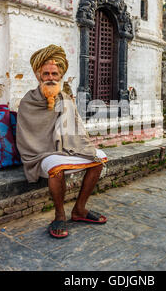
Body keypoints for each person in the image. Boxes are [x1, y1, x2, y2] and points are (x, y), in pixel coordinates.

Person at [16, 45, 108, 239]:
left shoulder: (66, 99)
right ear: (38, 75)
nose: (50, 77)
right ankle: (59, 215)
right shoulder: (27, 101)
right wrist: (51, 151)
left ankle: (79, 209)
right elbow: (26, 138)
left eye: (55, 74)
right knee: (56, 166)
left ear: (60, 76)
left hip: (68, 149)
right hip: (41, 154)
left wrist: (81, 146)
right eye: (46, 73)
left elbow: (77, 129)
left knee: (98, 158)